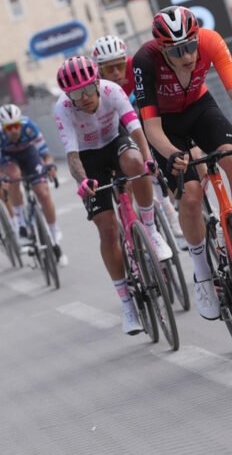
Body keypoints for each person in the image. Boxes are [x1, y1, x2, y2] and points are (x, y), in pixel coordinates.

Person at [133, 6, 232, 321]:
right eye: (177, 50)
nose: (187, 56)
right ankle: (202, 274)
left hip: (200, 108)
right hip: (166, 125)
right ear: (162, 48)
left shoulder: (211, 41)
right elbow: (151, 128)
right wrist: (172, 153)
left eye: (191, 46)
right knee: (191, 196)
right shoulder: (145, 60)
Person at [54, 56, 172, 334]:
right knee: (106, 230)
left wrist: (147, 159)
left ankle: (151, 229)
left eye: (86, 89)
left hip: (115, 139)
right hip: (87, 156)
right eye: (74, 93)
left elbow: (135, 129)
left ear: (97, 82)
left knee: (135, 163)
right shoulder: (63, 109)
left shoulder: (111, 91)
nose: (82, 98)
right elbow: (72, 158)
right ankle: (127, 304)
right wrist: (83, 182)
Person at [92, 34, 185, 244]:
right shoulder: (95, 82)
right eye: (109, 68)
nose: (116, 73)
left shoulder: (135, 67)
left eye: (119, 65)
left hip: (138, 113)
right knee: (130, 167)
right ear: (99, 69)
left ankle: (168, 208)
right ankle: (137, 220)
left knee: (150, 151)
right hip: (115, 123)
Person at [0, 104, 64, 265]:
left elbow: (46, 155)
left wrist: (49, 166)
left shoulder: (30, 127)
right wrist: (1, 179)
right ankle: (21, 223)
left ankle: (53, 232)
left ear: (20, 123)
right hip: (9, 159)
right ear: (2, 127)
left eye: (16, 126)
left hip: (29, 155)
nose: (13, 130)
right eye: (9, 127)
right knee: (13, 177)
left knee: (43, 193)